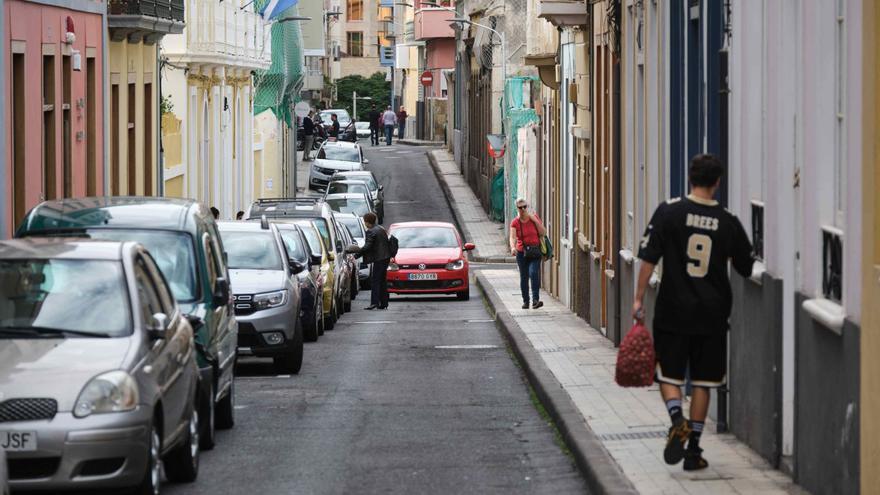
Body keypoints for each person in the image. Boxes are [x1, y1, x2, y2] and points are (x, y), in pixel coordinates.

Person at [633, 154, 755, 472]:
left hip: (673, 310)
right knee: (703, 382)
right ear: (717, 182)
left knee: (668, 374)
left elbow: (647, 258)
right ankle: (694, 452)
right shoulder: (727, 222)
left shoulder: (669, 212)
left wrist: (638, 299)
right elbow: (746, 265)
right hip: (712, 315)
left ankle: (677, 419)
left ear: (691, 178)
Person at [348, 212, 391, 310]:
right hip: (385, 258)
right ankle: (384, 302)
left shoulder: (371, 231)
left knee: (375, 281)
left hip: (379, 259)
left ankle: (374, 303)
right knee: (382, 281)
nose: (364, 223)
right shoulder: (381, 229)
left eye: (364, 221)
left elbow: (367, 246)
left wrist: (356, 255)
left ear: (367, 222)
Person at [509, 198, 546, 310]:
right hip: (522, 253)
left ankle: (535, 300)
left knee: (533, 272)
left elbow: (543, 232)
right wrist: (512, 248)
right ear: (517, 209)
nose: (523, 209)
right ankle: (526, 301)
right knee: (524, 277)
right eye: (521, 208)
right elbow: (512, 237)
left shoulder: (534, 218)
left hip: (535, 252)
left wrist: (534, 220)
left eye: (525, 206)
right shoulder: (515, 222)